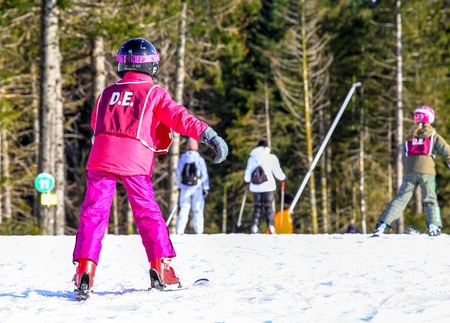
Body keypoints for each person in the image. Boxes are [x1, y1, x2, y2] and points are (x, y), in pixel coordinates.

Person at [72, 38, 228, 296]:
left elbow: (95, 123)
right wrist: (208, 134)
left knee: (94, 213)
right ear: (151, 66)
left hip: (101, 156)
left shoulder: (106, 94)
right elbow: (179, 117)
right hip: (135, 157)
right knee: (147, 214)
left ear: (122, 64)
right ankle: (162, 269)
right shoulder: (154, 92)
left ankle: (85, 270)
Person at [373, 106, 450, 237]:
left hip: (410, 172)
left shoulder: (410, 136)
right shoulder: (433, 136)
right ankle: (434, 226)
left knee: (401, 198)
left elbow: (404, 155)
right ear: (430, 119)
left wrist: (408, 168)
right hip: (427, 173)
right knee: (430, 198)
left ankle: (383, 225)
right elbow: (446, 150)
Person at [244, 140, 286, 234]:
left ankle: (255, 226)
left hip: (255, 186)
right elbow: (277, 171)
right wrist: (283, 177)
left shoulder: (252, 158)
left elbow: (248, 173)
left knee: (257, 206)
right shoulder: (271, 157)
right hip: (268, 186)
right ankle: (271, 226)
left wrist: (247, 181)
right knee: (269, 206)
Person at [175, 138, 209, 234]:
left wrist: (179, 185)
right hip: (197, 187)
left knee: (184, 209)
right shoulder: (199, 159)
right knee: (198, 209)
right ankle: (199, 231)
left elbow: (177, 173)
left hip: (185, 187)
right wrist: (206, 188)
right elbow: (204, 175)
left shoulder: (182, 158)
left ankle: (179, 231)